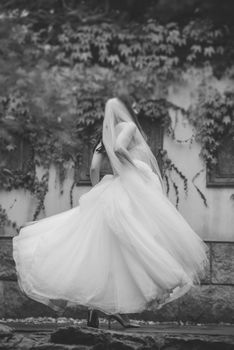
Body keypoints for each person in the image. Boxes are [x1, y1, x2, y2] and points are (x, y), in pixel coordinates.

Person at [13, 96, 209, 330]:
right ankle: (118, 312)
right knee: (132, 250)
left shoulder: (104, 137)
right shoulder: (129, 127)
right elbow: (119, 149)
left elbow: (95, 167)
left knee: (105, 256)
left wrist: (99, 191)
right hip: (128, 196)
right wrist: (134, 168)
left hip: (111, 194)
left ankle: (98, 314)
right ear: (127, 110)